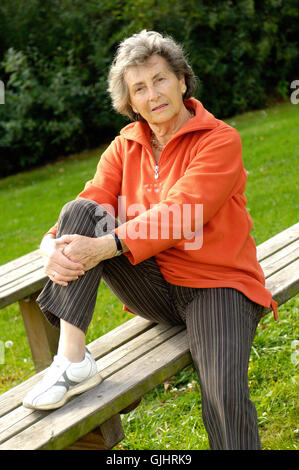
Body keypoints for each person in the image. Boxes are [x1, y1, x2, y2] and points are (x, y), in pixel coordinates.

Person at [23, 30, 277, 450]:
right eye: (139, 87)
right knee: (82, 212)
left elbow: (184, 212)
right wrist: (49, 247)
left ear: (181, 80)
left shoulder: (219, 139)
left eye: (160, 79)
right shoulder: (125, 145)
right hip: (155, 288)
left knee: (222, 392)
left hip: (219, 286)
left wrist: (104, 247)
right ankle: (72, 361)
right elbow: (91, 200)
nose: (153, 94)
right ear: (129, 100)